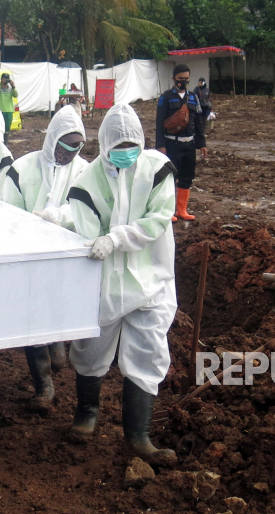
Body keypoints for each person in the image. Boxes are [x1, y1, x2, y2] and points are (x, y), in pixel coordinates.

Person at [66, 103, 178, 466]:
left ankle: (138, 436)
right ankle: (87, 412)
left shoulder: (158, 169)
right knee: (90, 349)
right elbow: (85, 229)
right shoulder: (86, 182)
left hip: (150, 277)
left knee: (147, 351)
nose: (127, 151)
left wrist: (117, 238)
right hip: (105, 282)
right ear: (104, 145)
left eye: (133, 144)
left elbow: (159, 218)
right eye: (120, 146)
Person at [1, 105, 88, 413]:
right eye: (65, 148)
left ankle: (59, 344)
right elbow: (5, 210)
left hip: (66, 256)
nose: (69, 155)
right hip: (28, 255)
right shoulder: (22, 169)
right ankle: (43, 385)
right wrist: (27, 226)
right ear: (52, 141)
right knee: (32, 317)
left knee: (61, 306)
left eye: (77, 148)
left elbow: (86, 210)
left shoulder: (83, 171)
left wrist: (59, 216)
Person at [155, 64, 206, 222]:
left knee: (186, 178)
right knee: (170, 178)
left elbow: (198, 121)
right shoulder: (165, 98)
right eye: (180, 79)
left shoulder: (193, 97)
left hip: (189, 145)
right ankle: (169, 211)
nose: (183, 82)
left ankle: (182, 210)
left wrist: (202, 143)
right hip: (172, 145)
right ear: (173, 79)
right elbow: (159, 123)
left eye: (186, 79)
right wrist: (160, 145)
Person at [0, 73, 17, 144]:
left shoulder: (10, 89)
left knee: (7, 129)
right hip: (0, 111)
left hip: (9, 111)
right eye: (4, 79)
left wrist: (13, 86)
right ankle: (0, 142)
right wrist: (0, 84)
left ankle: (5, 143)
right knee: (0, 128)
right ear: (1, 80)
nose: (5, 81)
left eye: (7, 80)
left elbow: (16, 95)